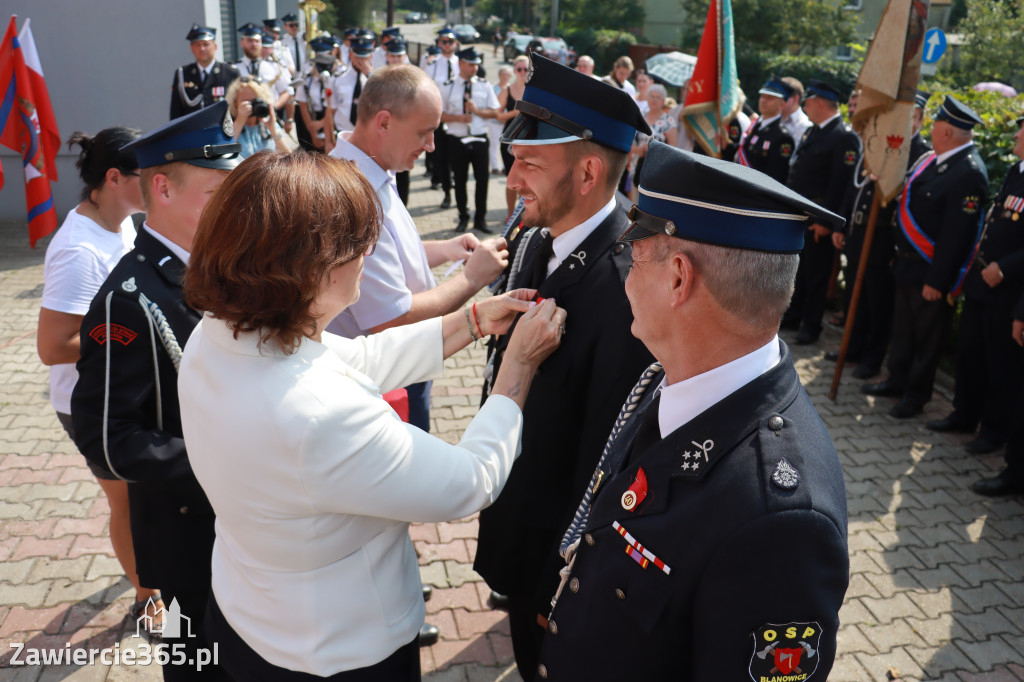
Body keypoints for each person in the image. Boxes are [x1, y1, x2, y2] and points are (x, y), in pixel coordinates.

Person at [178, 151, 566, 680]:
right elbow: (469, 481)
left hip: (250, 614)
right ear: (313, 269)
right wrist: (517, 367)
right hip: (337, 649)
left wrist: (470, 321)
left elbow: (352, 359)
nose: (369, 254)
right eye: (360, 244)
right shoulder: (319, 418)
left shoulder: (218, 332)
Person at [534, 140, 850, 680]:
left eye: (633, 254)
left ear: (679, 277)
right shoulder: (672, 377)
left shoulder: (782, 521)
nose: (625, 274)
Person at [474, 54, 655, 678]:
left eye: (529, 163)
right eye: (514, 159)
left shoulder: (633, 283)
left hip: (562, 559)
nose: (512, 178)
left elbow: (610, 458)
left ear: (587, 172)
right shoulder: (535, 240)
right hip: (521, 520)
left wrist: (565, 579)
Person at [71, 103, 239, 681]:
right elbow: (107, 439)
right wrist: (220, 464)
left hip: (239, 527)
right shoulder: (128, 298)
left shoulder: (215, 267)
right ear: (162, 187)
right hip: (187, 535)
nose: (232, 206)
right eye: (218, 193)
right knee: (198, 666)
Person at [326, 64, 508, 430]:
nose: (431, 146)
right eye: (424, 133)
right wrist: (472, 280)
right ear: (384, 122)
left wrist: (447, 248)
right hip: (386, 378)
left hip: (400, 366)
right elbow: (391, 319)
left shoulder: (371, 169)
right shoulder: (352, 195)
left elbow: (388, 255)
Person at [37, 126, 162, 631]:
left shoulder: (125, 223)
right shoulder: (77, 250)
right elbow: (52, 347)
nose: (155, 184)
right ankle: (148, 599)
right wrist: (136, 335)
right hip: (91, 400)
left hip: (126, 386)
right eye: (144, 176)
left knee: (148, 496)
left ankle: (150, 573)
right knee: (128, 503)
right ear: (114, 179)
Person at [863, 96, 989, 418]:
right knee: (903, 330)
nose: (931, 130)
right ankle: (897, 380)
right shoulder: (934, 161)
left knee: (927, 338)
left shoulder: (968, 172)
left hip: (931, 271)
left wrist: (938, 280)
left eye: (935, 125)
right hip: (907, 263)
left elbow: (957, 237)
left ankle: (916, 395)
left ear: (947, 132)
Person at [927, 113, 1024, 453]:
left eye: (1021, 130)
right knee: (971, 355)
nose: (1015, 134)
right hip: (981, 282)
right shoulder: (1016, 171)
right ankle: (963, 414)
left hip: (1006, 289)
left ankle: (993, 431)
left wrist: (1008, 268)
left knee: (1000, 365)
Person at [827, 90, 932, 380]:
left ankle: (872, 359)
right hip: (859, 232)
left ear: (920, 120)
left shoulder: (921, 155)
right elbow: (854, 189)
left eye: (911, 117)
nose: (903, 123)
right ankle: (852, 347)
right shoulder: (881, 145)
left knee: (877, 302)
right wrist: (842, 225)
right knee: (854, 297)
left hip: (884, 240)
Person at [783, 79, 861, 345]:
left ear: (818, 103)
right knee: (799, 272)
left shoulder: (843, 136)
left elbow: (840, 185)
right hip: (802, 216)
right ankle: (794, 316)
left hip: (819, 220)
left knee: (817, 276)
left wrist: (827, 222)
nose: (805, 106)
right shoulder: (814, 132)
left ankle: (811, 325)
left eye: (808, 102)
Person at [440, 47, 501, 233]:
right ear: (460, 64)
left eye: (476, 64)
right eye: (470, 64)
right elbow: (439, 115)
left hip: (479, 139)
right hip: (457, 139)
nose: (474, 68)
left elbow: (495, 112)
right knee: (459, 180)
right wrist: (457, 118)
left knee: (482, 181)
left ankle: (480, 219)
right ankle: (463, 217)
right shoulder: (447, 86)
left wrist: (477, 112)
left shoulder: (484, 85)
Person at [232, 22, 294, 136]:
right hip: (243, 124)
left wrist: (273, 107)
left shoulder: (274, 66)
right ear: (242, 43)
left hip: (269, 121)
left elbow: (286, 92)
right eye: (249, 41)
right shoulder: (233, 69)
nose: (254, 44)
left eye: (257, 41)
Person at [170, 24, 239, 120]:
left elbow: (237, 110)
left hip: (220, 131)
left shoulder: (230, 72)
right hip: (193, 132)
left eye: (206, 44)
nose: (202, 48)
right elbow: (176, 110)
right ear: (192, 49)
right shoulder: (182, 74)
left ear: (215, 47)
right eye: (197, 45)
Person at [425, 27, 461, 206]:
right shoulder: (432, 65)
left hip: (458, 118)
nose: (447, 45)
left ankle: (460, 196)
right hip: (439, 117)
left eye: (450, 41)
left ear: (456, 43)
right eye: (443, 41)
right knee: (441, 156)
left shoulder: (461, 63)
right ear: (439, 43)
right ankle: (446, 192)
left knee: (457, 157)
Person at [736, 77, 795, 183]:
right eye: (762, 96)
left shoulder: (782, 137)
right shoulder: (756, 125)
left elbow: (775, 177)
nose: (764, 101)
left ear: (782, 104)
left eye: (770, 98)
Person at [324, 36, 373, 153]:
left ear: (371, 56)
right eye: (357, 56)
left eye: (364, 57)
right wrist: (328, 141)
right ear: (350, 54)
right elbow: (330, 112)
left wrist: (369, 75)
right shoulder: (338, 78)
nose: (360, 61)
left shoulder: (376, 81)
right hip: (342, 136)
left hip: (368, 139)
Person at [225, 76, 291, 157]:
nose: (251, 106)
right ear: (235, 102)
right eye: (245, 101)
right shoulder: (228, 125)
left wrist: (273, 131)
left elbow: (287, 157)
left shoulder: (268, 123)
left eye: (254, 101)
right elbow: (224, 153)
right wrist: (240, 121)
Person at [295, 36, 341, 152]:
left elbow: (339, 105)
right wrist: (313, 133)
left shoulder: (341, 72)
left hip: (334, 120)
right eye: (318, 55)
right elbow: (303, 104)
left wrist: (322, 123)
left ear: (332, 52)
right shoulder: (307, 71)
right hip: (312, 119)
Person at [497, 55, 529, 217]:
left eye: (526, 69)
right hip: (509, 139)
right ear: (515, 71)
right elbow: (498, 115)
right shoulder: (506, 90)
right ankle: (510, 215)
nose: (522, 72)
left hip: (529, 141)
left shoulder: (533, 90)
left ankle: (525, 214)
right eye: (519, 69)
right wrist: (516, 112)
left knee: (528, 179)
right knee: (511, 178)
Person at [630, 83, 677, 192]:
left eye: (658, 97)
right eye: (652, 96)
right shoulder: (640, 116)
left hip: (657, 173)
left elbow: (674, 150)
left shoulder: (669, 122)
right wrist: (640, 150)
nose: (654, 100)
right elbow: (630, 142)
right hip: (636, 169)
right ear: (647, 97)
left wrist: (653, 149)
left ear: (663, 101)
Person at [489, 66, 513, 174]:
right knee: (494, 144)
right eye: (503, 74)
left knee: (506, 145)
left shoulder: (511, 89)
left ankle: (505, 166)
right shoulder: (493, 88)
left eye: (507, 75)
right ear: (499, 75)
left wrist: (505, 117)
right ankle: (494, 166)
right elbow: (491, 106)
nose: (505, 77)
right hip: (495, 121)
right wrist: (500, 116)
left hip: (507, 121)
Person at [781, 76, 812, 146]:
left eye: (782, 96)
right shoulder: (771, 119)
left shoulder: (805, 126)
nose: (777, 100)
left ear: (795, 98)